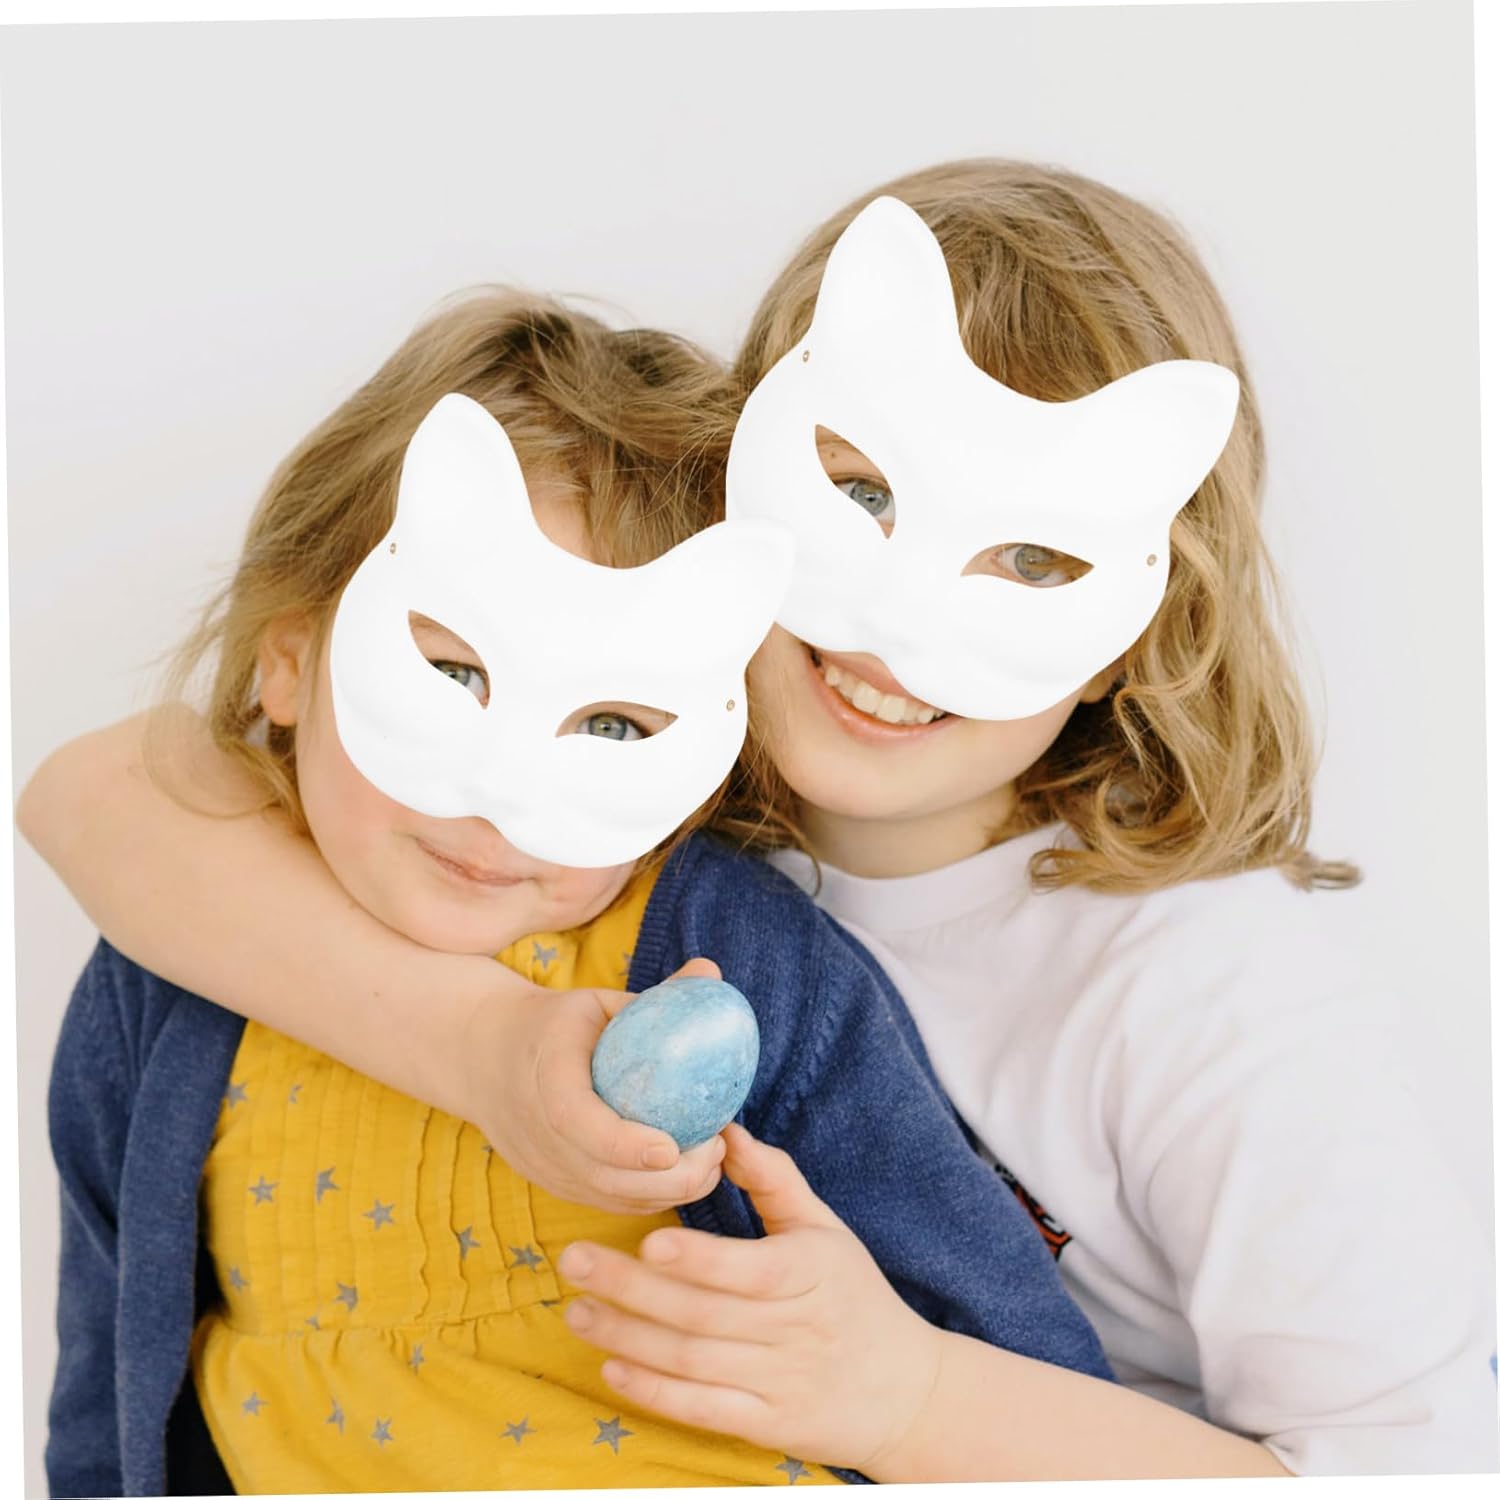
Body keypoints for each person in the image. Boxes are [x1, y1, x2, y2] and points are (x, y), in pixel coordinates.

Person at [23, 160, 1494, 1480]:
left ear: (1141, 629)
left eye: (1038, 560)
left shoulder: (1216, 998)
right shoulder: (599, 838)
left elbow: (1420, 1470)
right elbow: (97, 796)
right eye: (858, 489)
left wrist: (912, 1400)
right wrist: (481, 1048)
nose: (903, 617)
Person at [25, 289, 1132, 1497]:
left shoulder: (732, 962)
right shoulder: (167, 974)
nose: (500, 801)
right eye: (454, 672)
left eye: (613, 723)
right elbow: (107, 1386)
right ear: (289, 658)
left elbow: (1010, 1355)